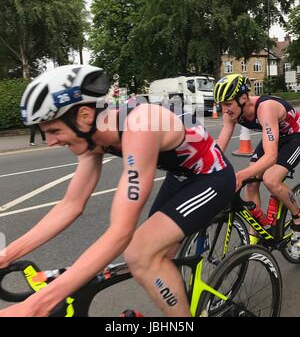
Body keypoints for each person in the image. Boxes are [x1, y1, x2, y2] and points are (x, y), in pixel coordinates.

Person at [0, 65, 236, 317]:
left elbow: (121, 231)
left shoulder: (140, 126)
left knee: (138, 253)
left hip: (211, 177)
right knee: (157, 254)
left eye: (55, 131)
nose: (51, 142)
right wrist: (7, 255)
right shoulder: (93, 138)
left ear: (83, 116)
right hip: (180, 176)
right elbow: (70, 205)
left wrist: (38, 305)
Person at [214, 73, 300, 250]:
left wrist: (240, 175)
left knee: (270, 179)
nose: (224, 110)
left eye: (228, 104)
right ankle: (256, 232)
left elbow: (271, 156)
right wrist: (206, 169)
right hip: (273, 136)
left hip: (294, 137)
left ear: (243, 98)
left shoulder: (265, 108)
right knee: (251, 184)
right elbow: (220, 146)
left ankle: (297, 216)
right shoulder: (231, 112)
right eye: (221, 105)